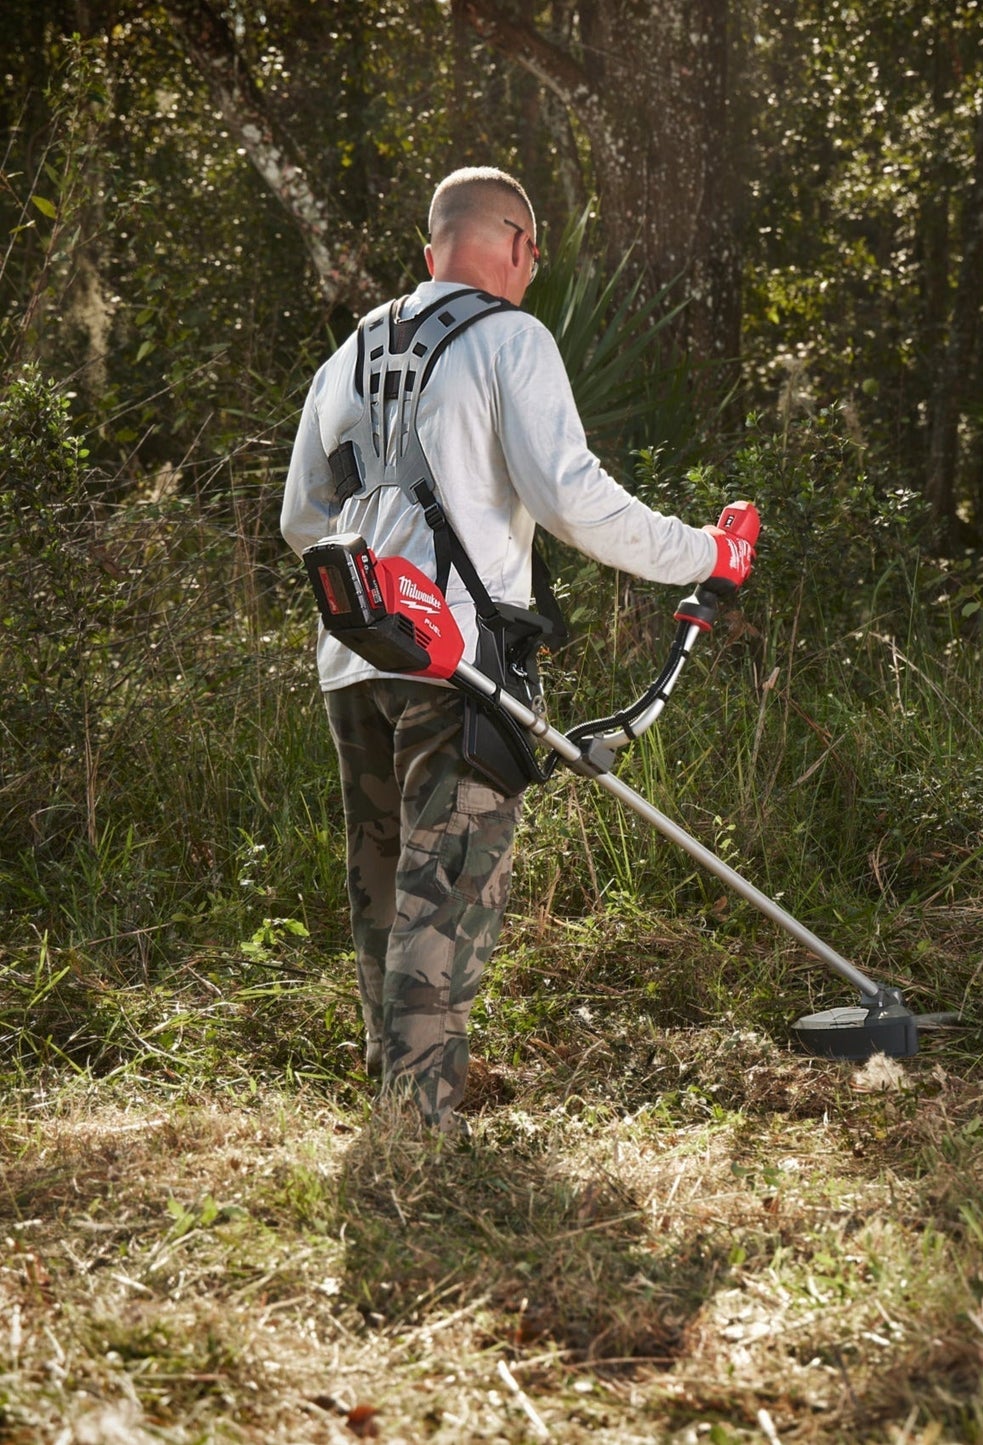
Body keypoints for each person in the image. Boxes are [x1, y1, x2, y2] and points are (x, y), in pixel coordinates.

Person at [281, 166, 755, 1132]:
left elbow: (300, 520)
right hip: (452, 666)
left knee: (383, 878)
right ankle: (417, 1126)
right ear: (519, 245)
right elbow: (575, 500)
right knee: (446, 889)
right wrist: (708, 551)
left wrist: (382, 567)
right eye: (533, 255)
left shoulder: (348, 357)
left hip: (353, 659)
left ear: (430, 252)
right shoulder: (510, 338)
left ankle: (395, 1086)